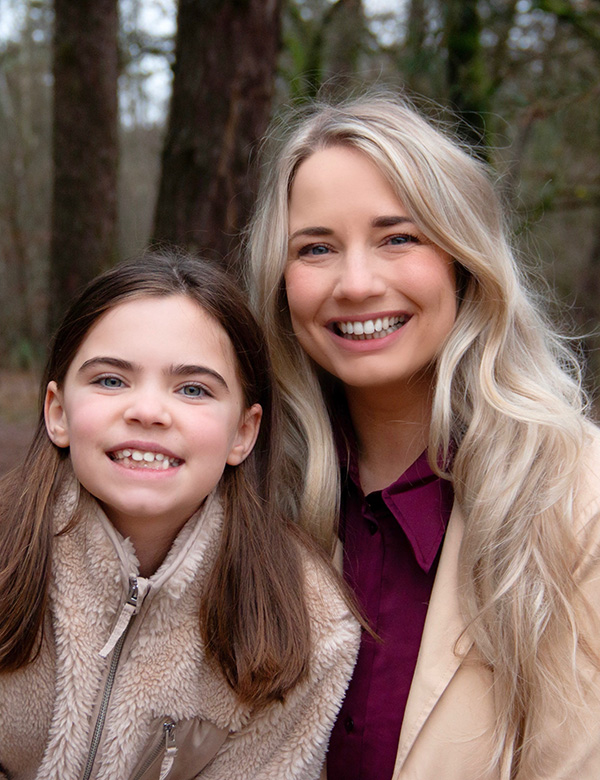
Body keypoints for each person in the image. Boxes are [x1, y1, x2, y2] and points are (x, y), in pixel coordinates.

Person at [247, 92, 600, 780]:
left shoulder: (577, 499)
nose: (355, 283)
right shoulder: (252, 493)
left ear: (463, 261)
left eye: (397, 238)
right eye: (316, 248)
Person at [0, 250, 360, 780]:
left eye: (193, 389)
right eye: (110, 380)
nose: (147, 410)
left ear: (243, 432)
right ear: (57, 413)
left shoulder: (308, 621)